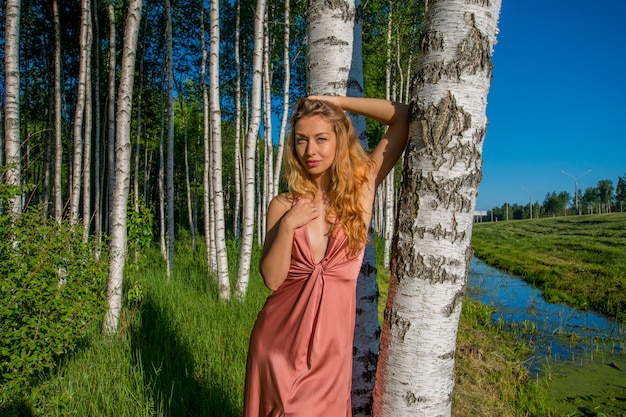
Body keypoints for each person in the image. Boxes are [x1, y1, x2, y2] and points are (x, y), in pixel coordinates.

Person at [243, 95, 410, 417]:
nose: (310, 151)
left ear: (339, 140)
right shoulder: (283, 205)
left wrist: (335, 101)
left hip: (330, 353)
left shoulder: (361, 191)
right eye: (302, 140)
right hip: (277, 344)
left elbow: (401, 117)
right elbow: (272, 279)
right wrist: (289, 224)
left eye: (321, 138)